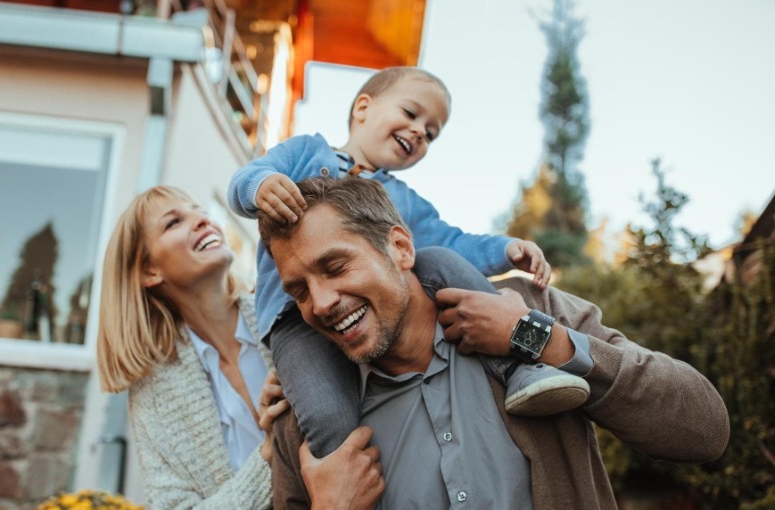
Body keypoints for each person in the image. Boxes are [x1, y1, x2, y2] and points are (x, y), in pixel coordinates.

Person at [259, 176, 730, 509]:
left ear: (400, 248)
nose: (320, 303)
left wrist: (538, 339)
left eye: (336, 267)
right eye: (298, 291)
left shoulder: (529, 309)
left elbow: (704, 429)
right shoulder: (305, 420)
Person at [227, 66, 589, 458]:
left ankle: (519, 367)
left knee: (438, 258)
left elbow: (453, 240)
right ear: (363, 108)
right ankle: (342, 467)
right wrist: (260, 187)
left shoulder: (405, 202)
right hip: (295, 319)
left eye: (431, 133)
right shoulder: (304, 152)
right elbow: (246, 177)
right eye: (411, 113)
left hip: (374, 312)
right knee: (327, 415)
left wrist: (505, 250)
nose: (420, 131)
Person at [95, 185, 383, 508]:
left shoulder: (288, 313)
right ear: (150, 270)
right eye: (173, 222)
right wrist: (267, 456)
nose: (203, 220)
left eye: (200, 211)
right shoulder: (153, 392)